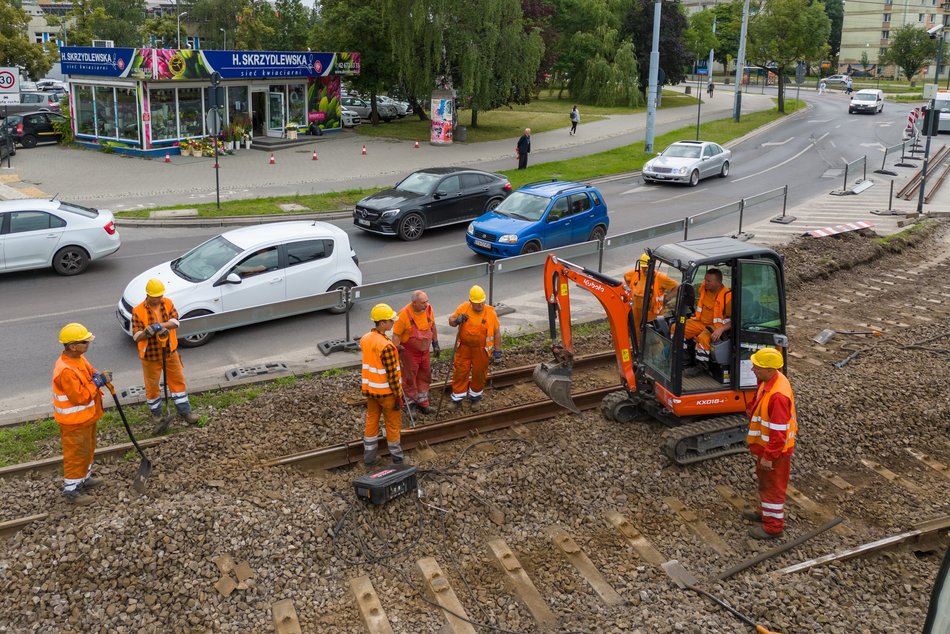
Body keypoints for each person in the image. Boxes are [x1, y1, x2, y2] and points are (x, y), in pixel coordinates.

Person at [131, 278, 200, 433]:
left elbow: (175, 322)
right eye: (155, 297)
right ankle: (156, 415)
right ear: (148, 295)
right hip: (150, 356)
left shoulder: (167, 303)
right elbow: (136, 336)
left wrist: (159, 326)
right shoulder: (138, 310)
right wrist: (146, 332)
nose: (158, 299)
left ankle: (185, 411)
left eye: (160, 296)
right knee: (152, 386)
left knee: (177, 381)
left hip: (169, 352)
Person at [52, 323, 109, 505]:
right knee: (76, 454)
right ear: (72, 346)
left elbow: (91, 372)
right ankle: (72, 491)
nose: (88, 344)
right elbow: (80, 397)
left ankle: (84, 478)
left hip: (86, 418)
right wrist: (97, 383)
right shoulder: (66, 371)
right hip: (74, 422)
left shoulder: (79, 359)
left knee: (87, 450)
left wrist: (98, 376)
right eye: (85, 342)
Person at [744, 347, 798, 540]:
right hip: (766, 448)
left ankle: (773, 527)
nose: (753, 370)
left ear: (769, 369)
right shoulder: (770, 381)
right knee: (765, 482)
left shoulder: (778, 396)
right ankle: (764, 513)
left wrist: (769, 456)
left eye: (757, 367)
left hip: (775, 453)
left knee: (772, 487)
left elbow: (778, 432)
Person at [361, 303, 405, 466]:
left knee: (371, 420)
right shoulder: (387, 346)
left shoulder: (366, 338)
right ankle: (397, 458)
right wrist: (398, 396)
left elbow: (373, 359)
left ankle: (369, 457)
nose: (393, 323)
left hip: (371, 391)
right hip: (387, 394)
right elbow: (393, 375)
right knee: (393, 424)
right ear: (382, 323)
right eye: (390, 321)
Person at [448, 285, 501, 411]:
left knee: (479, 373)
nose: (480, 305)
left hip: (481, 350)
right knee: (460, 371)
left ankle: (475, 397)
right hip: (464, 348)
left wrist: (498, 351)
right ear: (471, 301)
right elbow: (451, 321)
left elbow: (497, 332)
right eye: (477, 303)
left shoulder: (491, 313)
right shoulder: (463, 308)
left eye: (482, 302)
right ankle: (457, 398)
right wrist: (457, 320)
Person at [392, 290, 440, 414]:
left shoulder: (428, 309)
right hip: (409, 353)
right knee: (410, 377)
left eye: (427, 301)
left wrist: (435, 344)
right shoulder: (404, 314)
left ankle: (423, 402)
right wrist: (397, 349)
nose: (426, 305)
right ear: (414, 303)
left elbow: (432, 326)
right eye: (423, 302)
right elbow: (396, 335)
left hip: (424, 352)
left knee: (424, 375)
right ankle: (411, 403)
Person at [623, 253, 679, 344]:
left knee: (652, 334)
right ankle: (638, 349)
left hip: (652, 311)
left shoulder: (660, 278)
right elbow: (626, 277)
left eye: (647, 267)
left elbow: (676, 287)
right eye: (643, 267)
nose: (645, 269)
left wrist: (666, 299)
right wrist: (629, 289)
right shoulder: (635, 274)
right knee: (636, 330)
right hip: (636, 310)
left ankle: (653, 352)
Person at [682, 268, 732, 369]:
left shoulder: (728, 297)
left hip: (715, 327)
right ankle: (683, 360)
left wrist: (721, 329)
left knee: (703, 339)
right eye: (705, 279)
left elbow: (735, 320)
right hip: (699, 322)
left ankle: (701, 366)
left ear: (718, 282)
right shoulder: (704, 288)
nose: (706, 282)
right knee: (677, 328)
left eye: (709, 281)